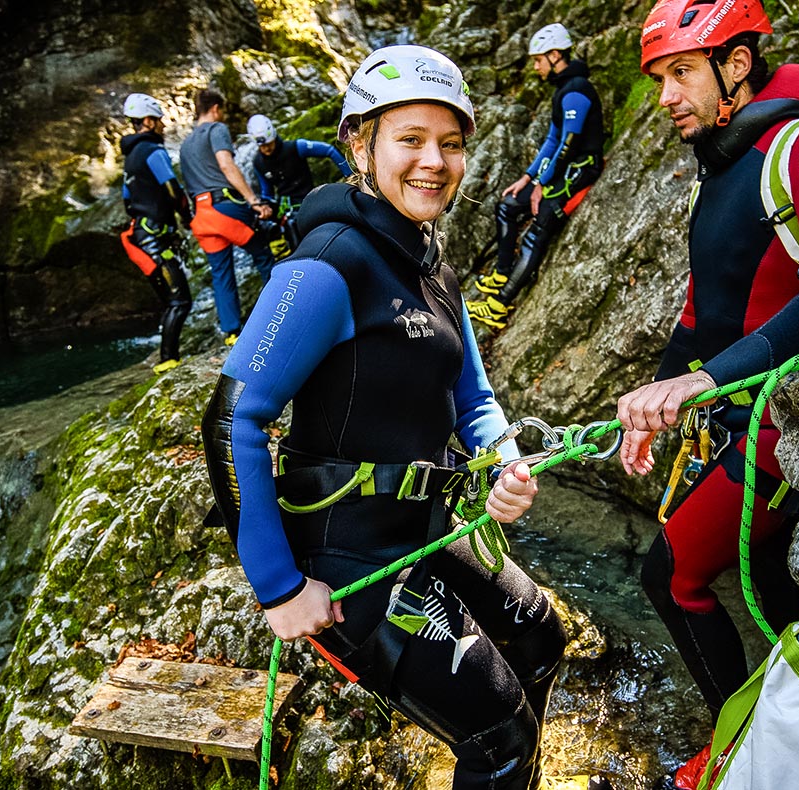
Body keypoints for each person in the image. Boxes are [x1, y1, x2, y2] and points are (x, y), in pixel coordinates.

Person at [201, 45, 572, 790]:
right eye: (411, 139)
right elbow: (234, 418)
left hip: (420, 525)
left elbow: (473, 397)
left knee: (540, 638)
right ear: (359, 146)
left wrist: (506, 461)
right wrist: (279, 588)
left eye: (451, 143)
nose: (434, 161)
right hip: (347, 555)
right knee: (500, 741)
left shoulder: (432, 265)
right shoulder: (327, 265)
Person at [613, 1, 799, 787]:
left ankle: (733, 748)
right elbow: (703, 313)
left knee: (671, 577)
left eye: (681, 72)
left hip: (791, 427)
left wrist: (708, 380)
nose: (667, 96)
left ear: (737, 64)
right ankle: (791, 739)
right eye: (659, 79)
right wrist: (653, 402)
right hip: (747, 421)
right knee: (769, 584)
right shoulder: (724, 169)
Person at [466, 23, 604, 329]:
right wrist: (528, 179)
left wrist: (543, 184)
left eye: (539, 60)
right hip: (563, 169)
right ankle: (502, 273)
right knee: (507, 205)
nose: (536, 67)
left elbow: (568, 144)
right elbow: (552, 141)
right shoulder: (563, 90)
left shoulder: (577, 90)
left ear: (555, 55)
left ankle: (498, 307)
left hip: (579, 170)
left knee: (535, 233)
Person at [180, 89, 275, 344]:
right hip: (224, 207)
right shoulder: (216, 129)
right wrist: (253, 200)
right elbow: (226, 164)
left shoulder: (185, 144)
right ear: (215, 108)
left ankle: (232, 333)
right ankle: (278, 312)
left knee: (221, 273)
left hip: (201, 215)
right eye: (221, 110)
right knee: (263, 254)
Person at [118, 93, 193, 374]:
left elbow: (128, 201)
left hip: (142, 235)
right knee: (180, 300)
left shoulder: (129, 158)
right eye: (159, 120)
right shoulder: (153, 151)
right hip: (155, 240)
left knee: (171, 300)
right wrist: (187, 218)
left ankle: (167, 357)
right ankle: (168, 360)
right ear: (148, 121)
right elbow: (173, 190)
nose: (163, 125)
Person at [248, 113, 354, 257]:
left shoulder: (295, 147)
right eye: (262, 146)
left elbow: (329, 150)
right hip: (287, 208)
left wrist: (350, 175)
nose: (266, 149)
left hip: (308, 200)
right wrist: (265, 207)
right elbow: (267, 192)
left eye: (268, 144)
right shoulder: (259, 163)